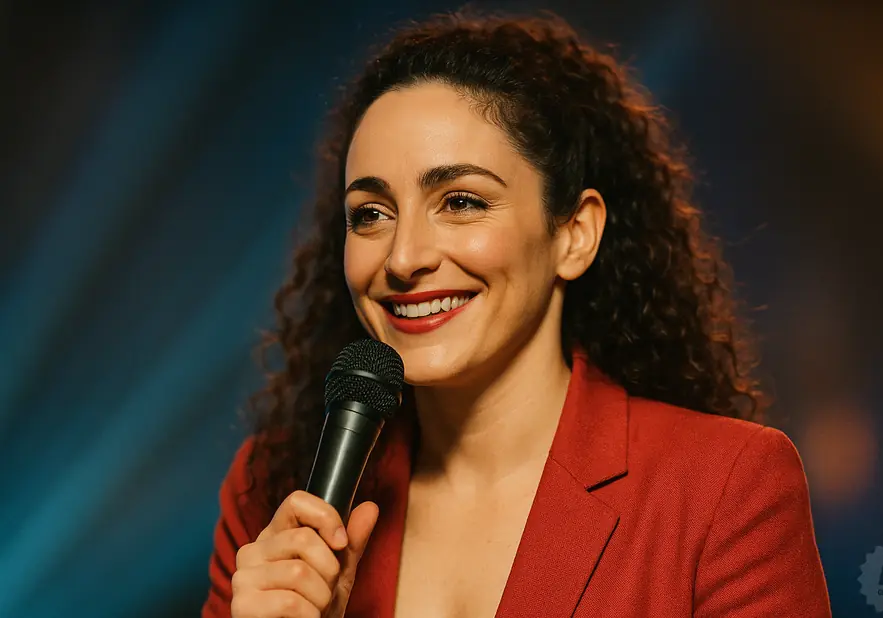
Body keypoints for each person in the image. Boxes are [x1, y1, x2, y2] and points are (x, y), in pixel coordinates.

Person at [201, 11, 832, 618]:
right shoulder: (274, 491)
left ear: (574, 235)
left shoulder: (725, 486)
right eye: (370, 213)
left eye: (461, 202)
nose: (403, 257)